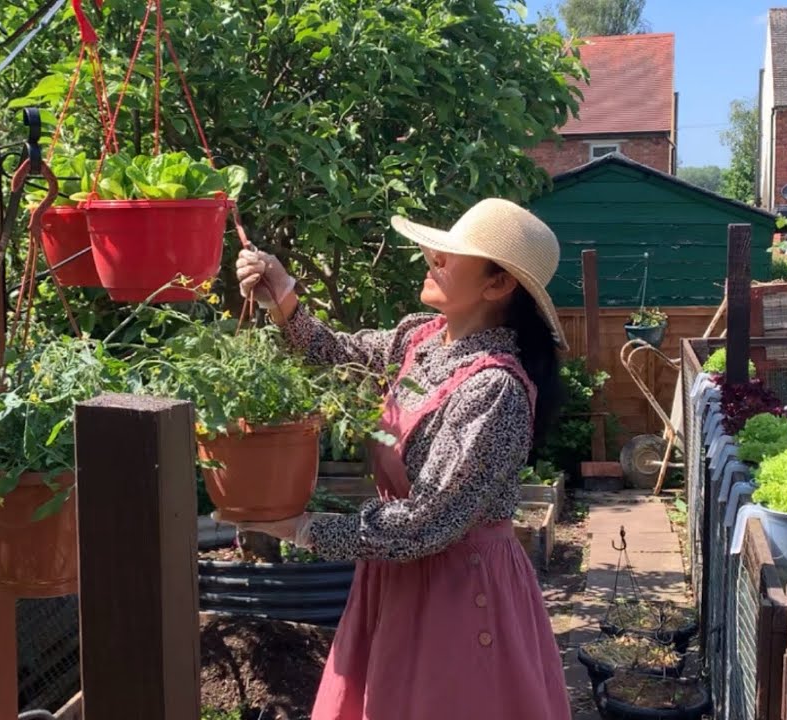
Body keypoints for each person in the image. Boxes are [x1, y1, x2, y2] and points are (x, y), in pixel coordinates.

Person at [224, 197, 573, 720]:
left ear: (497, 285)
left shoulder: (493, 390)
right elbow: (341, 353)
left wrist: (300, 527)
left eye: (451, 254)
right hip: (396, 575)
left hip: (458, 590)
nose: (433, 254)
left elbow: (424, 524)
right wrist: (284, 296)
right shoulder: (422, 337)